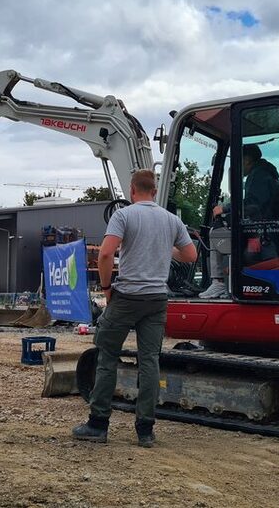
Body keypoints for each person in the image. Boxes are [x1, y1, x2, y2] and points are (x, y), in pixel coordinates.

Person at [72, 169, 198, 447]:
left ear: (132, 191)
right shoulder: (171, 220)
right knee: (149, 361)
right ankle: (145, 430)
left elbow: (106, 253)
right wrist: (166, 248)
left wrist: (107, 289)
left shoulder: (124, 215)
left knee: (107, 355)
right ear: (154, 191)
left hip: (127, 297)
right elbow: (190, 255)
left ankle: (98, 424)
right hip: (156, 300)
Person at [199, 144, 279, 299]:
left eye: (239, 161)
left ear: (247, 160)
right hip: (266, 227)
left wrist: (224, 209)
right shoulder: (267, 174)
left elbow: (253, 204)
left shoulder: (258, 176)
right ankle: (229, 282)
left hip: (261, 229)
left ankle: (219, 282)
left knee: (216, 233)